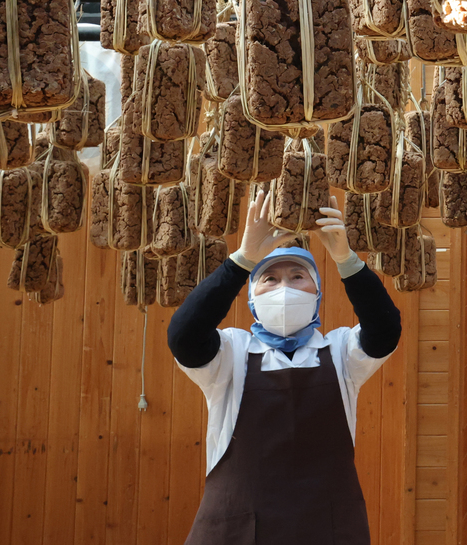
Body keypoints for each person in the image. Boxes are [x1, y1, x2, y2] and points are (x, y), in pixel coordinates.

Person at [167, 185, 402, 545]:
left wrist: (346, 259)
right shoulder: (232, 353)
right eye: (270, 279)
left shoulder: (340, 351)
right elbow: (184, 335)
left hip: (327, 530)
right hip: (238, 530)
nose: (284, 288)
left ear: (317, 292)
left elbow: (385, 330)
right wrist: (243, 258)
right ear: (251, 299)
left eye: (297, 277)